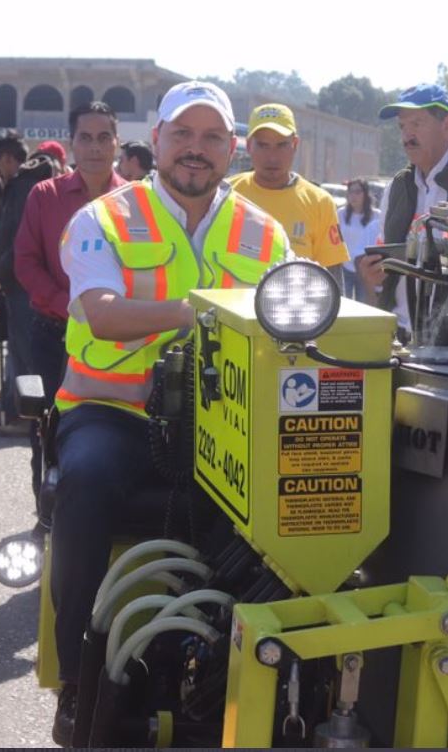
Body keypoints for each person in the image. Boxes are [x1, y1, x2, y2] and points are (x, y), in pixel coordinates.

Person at [48, 81, 288, 745]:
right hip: (112, 411)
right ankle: (79, 680)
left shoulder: (264, 233)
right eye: (182, 134)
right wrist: (203, 311)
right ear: (154, 141)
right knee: (87, 483)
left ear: (232, 149)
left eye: (212, 137)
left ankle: (237, 672)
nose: (195, 149)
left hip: (221, 424)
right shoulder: (104, 219)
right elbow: (100, 310)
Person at [15, 101, 126, 510]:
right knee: (45, 431)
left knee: (110, 432)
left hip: (117, 341)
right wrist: (72, 307)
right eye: (85, 138)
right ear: (72, 143)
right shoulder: (45, 196)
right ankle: (45, 522)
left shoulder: (138, 202)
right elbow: (25, 262)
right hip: (53, 334)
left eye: (103, 138)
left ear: (116, 143)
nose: (95, 147)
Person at [360, 83, 448, 327]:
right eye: (402, 126)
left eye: (416, 123)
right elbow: (386, 273)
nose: (407, 136)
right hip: (400, 336)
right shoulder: (397, 187)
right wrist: (372, 277)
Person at [0, 133, 57, 436]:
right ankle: (12, 408)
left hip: (23, 282)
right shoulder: (15, 185)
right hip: (15, 282)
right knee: (17, 350)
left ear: (9, 159)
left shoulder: (26, 187)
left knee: (26, 352)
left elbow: (19, 241)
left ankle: (28, 417)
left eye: (0, 160)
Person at [229, 103, 348, 272]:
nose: (272, 157)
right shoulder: (225, 193)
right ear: (249, 146)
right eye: (263, 145)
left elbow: (333, 281)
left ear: (295, 145)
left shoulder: (320, 203)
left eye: (282, 145)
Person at [339, 177, 382, 300]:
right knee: (343, 305)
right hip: (345, 267)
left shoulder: (376, 215)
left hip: (365, 268)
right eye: (350, 192)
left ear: (365, 194)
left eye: (357, 192)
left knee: (363, 305)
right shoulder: (341, 213)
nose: (353, 196)